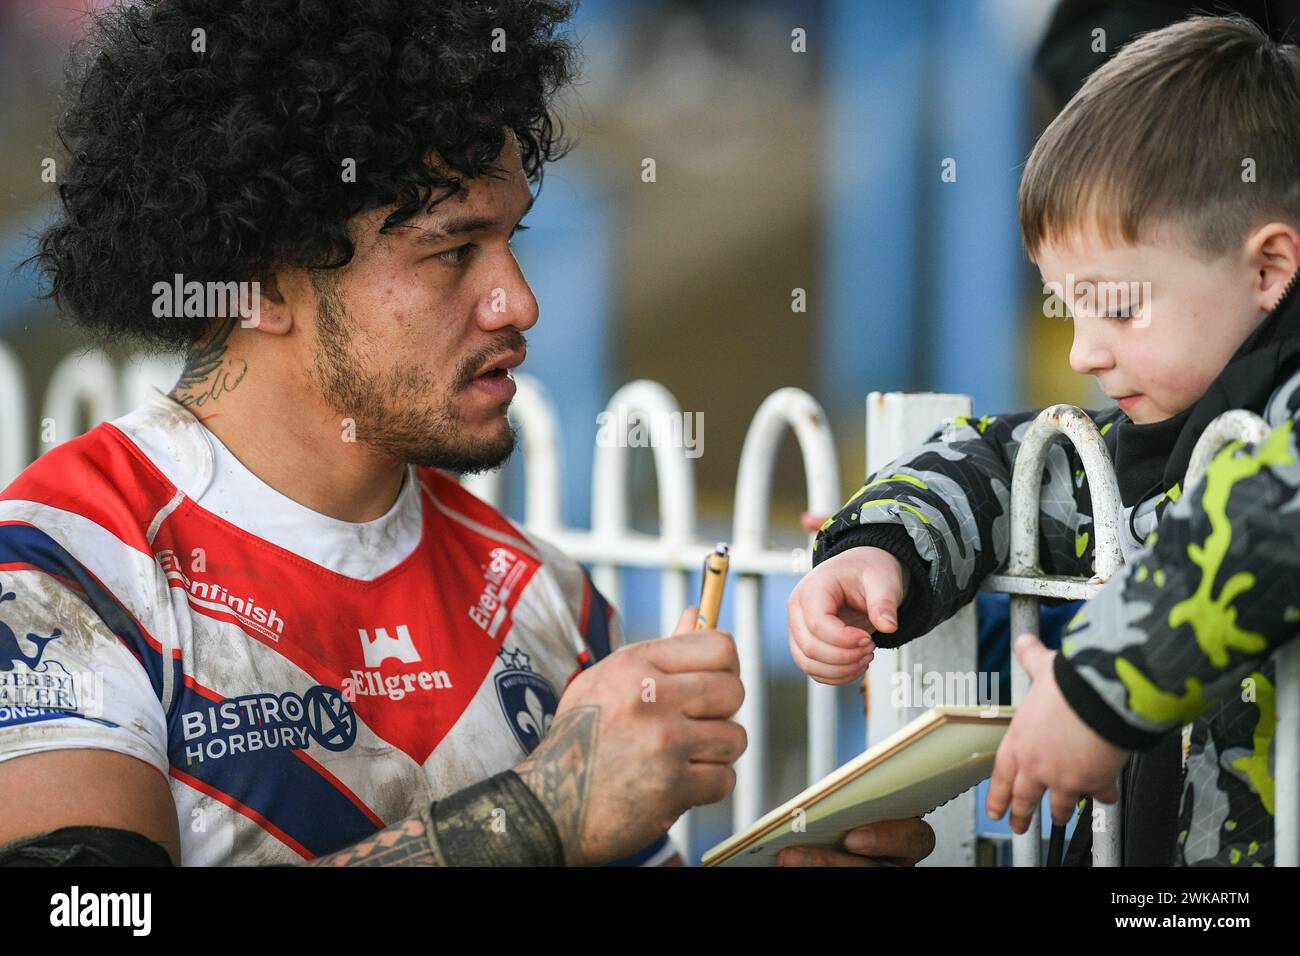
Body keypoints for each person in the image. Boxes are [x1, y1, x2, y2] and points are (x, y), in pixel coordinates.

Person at [0, 0, 926, 868]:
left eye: (512, 239)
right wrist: (538, 816)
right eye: (452, 251)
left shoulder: (545, 594)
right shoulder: (59, 573)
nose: (518, 300)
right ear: (260, 283)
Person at [787, 14, 1300, 866]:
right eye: (1069, 306)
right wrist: (880, 547)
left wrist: (1099, 689)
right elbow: (1002, 465)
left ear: (1268, 269)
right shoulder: (1152, 437)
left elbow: (1270, 513)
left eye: (1121, 306)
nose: (1083, 351)